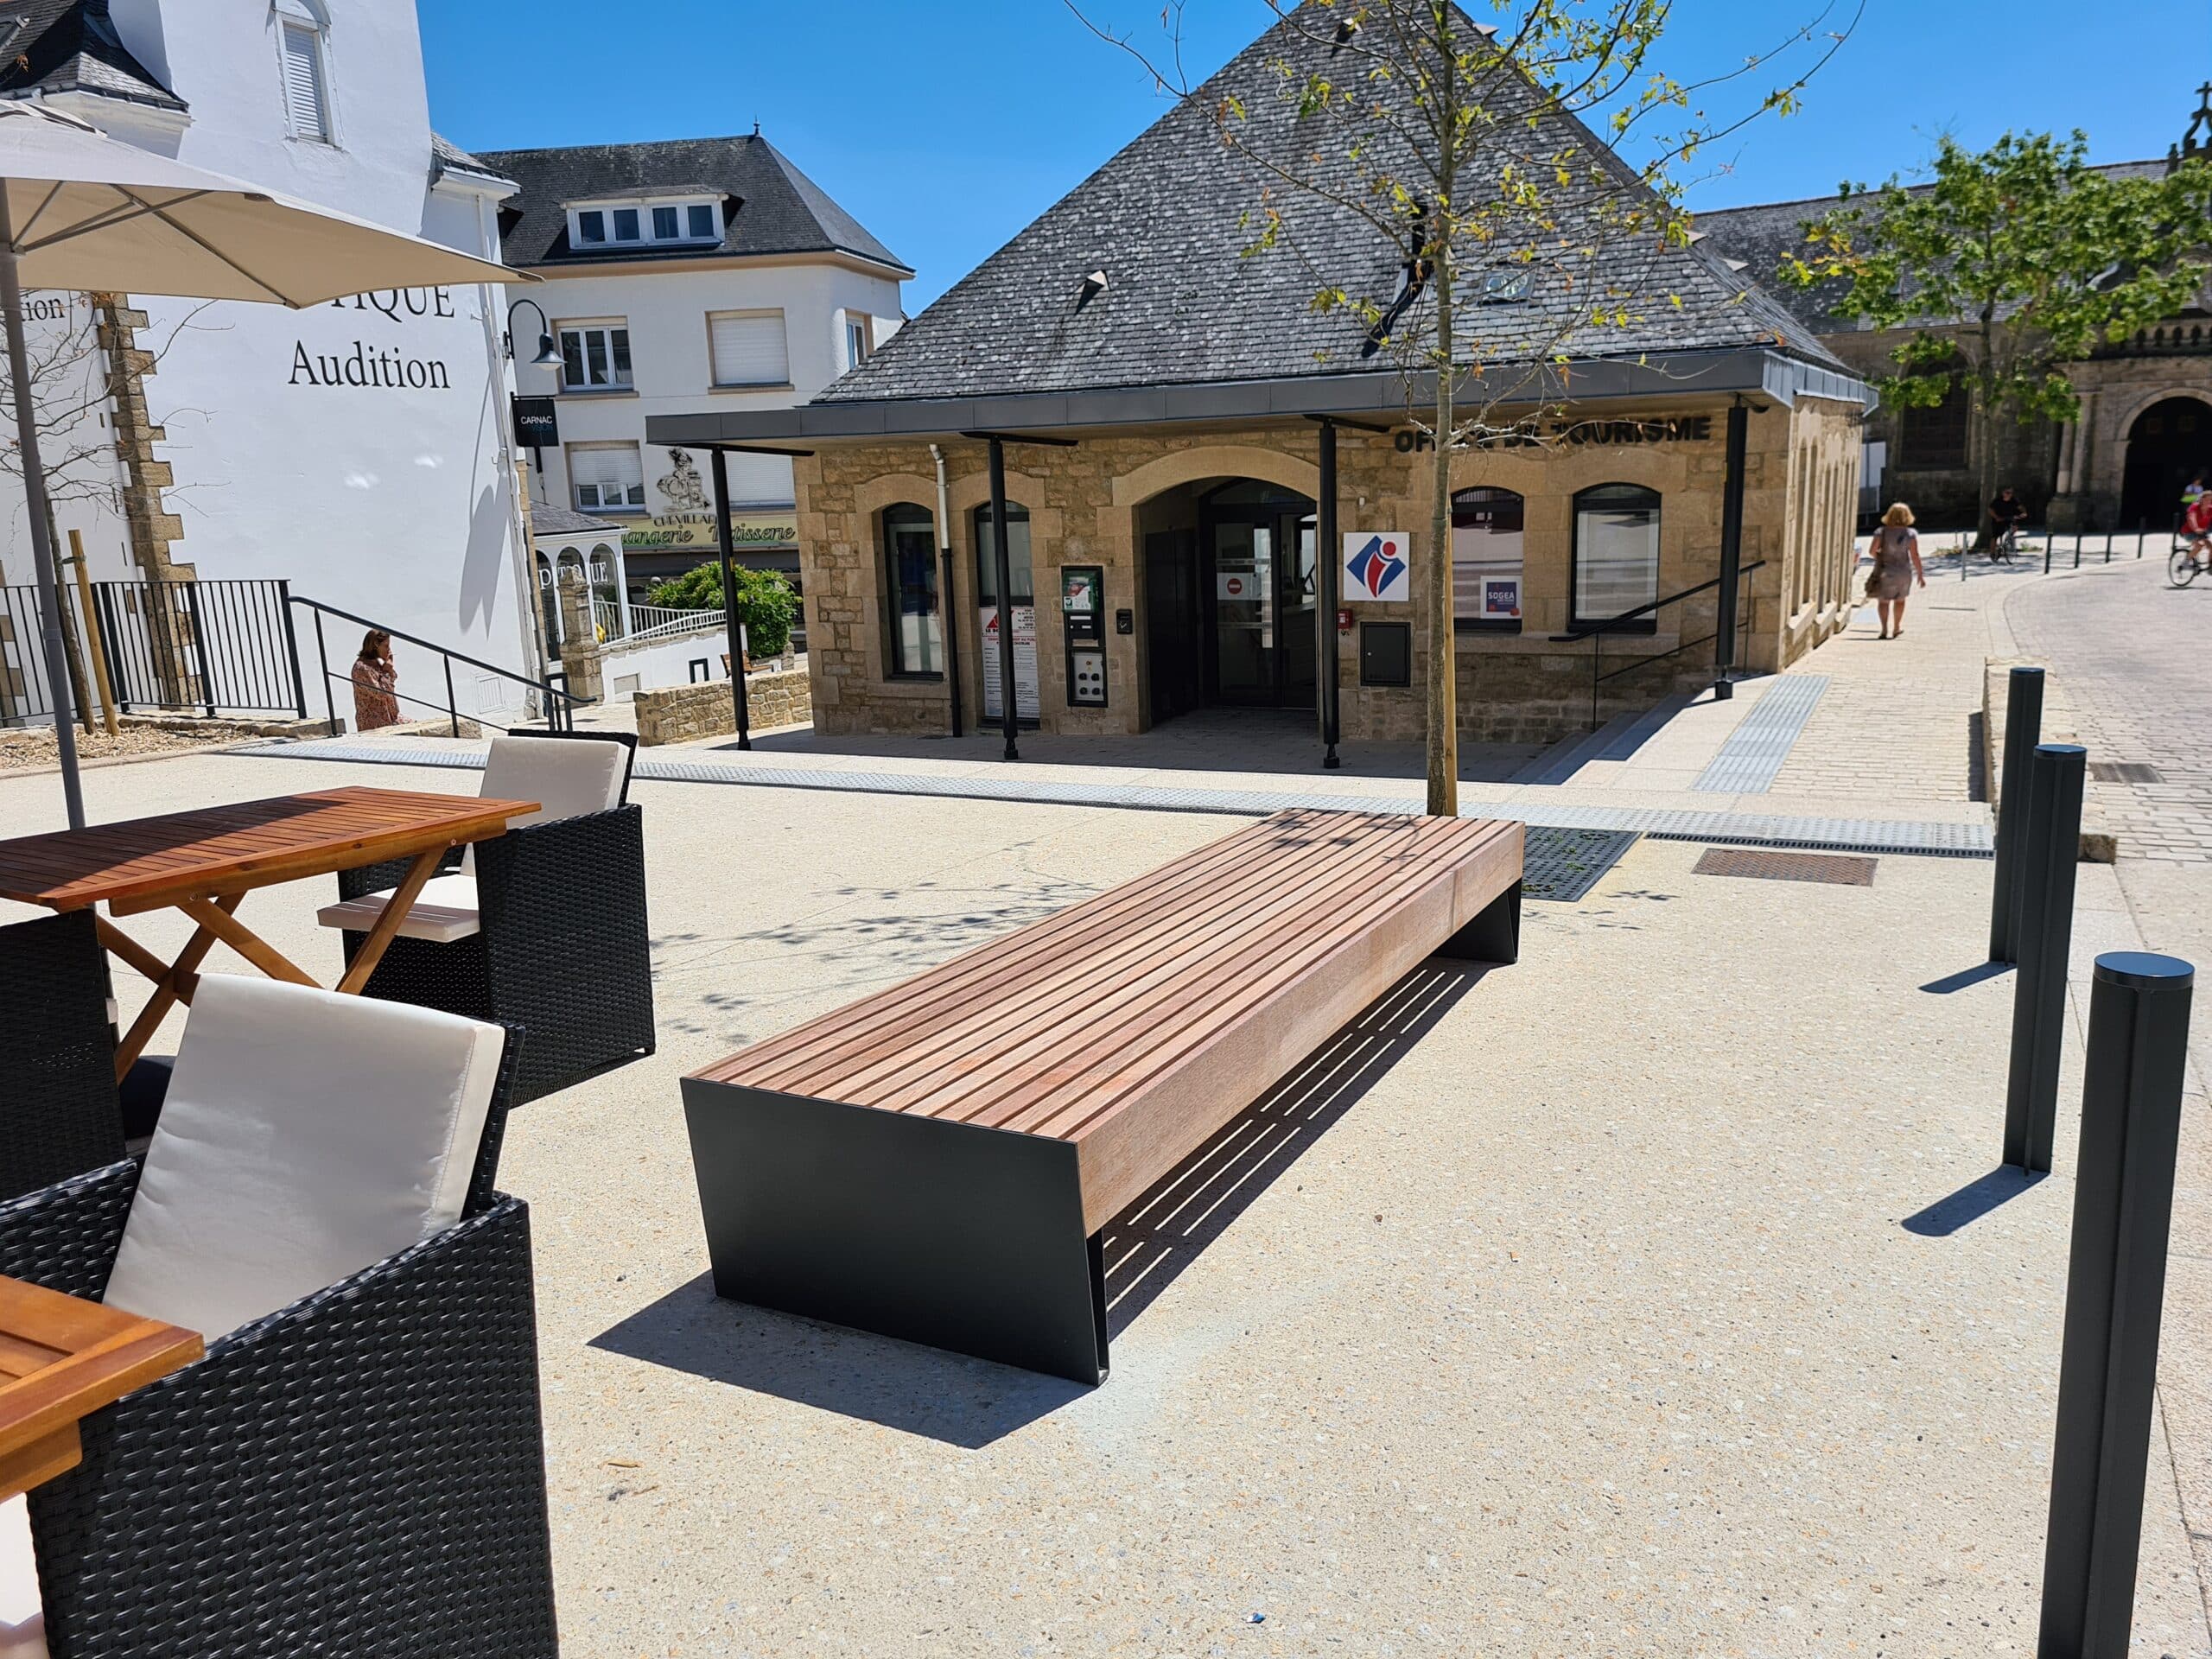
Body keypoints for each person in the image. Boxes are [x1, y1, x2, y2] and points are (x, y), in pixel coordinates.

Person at [1869, 502, 1926, 639]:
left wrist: (1881, 557)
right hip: (1903, 572)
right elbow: (1915, 555)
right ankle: (1896, 627)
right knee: (1900, 600)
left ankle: (1883, 629)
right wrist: (1920, 574)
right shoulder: (1910, 534)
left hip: (1885, 571)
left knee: (1883, 601)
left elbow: (1872, 551)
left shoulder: (1881, 532)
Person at [350, 629, 399, 731]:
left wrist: (389, 668)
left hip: (390, 717)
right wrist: (386, 671)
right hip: (375, 722)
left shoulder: (378, 662)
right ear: (376, 645)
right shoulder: (362, 668)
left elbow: (393, 678)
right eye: (386, 646)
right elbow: (381, 694)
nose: (389, 650)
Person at [1987, 487, 2029, 560]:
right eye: (2007, 493)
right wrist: (1996, 517)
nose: (2009, 495)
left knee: (2015, 527)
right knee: (1995, 536)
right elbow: (1990, 510)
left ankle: (2008, 539)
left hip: (2010, 518)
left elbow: (2020, 507)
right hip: (1999, 520)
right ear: (2003, 493)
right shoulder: (1997, 501)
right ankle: (1992, 553)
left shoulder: (2014, 500)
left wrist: (2024, 512)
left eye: (2011, 493)